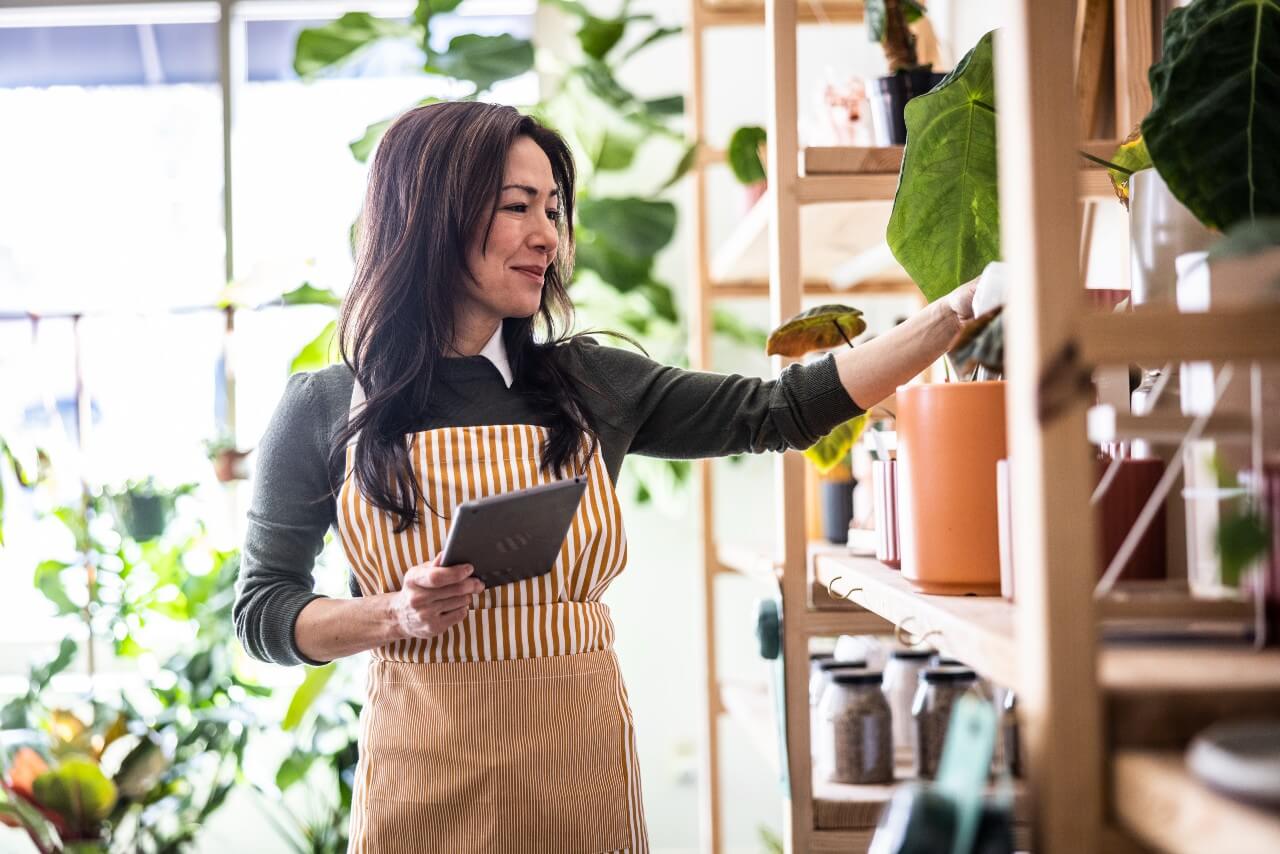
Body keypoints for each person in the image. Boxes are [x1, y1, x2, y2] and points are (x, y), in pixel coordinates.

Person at [233, 100, 975, 854]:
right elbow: (264, 611)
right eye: (517, 206)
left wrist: (953, 314)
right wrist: (394, 616)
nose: (547, 236)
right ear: (431, 215)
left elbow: (778, 409)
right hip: (422, 780)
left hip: (580, 775)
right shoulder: (326, 406)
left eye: (553, 209)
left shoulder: (589, 385)